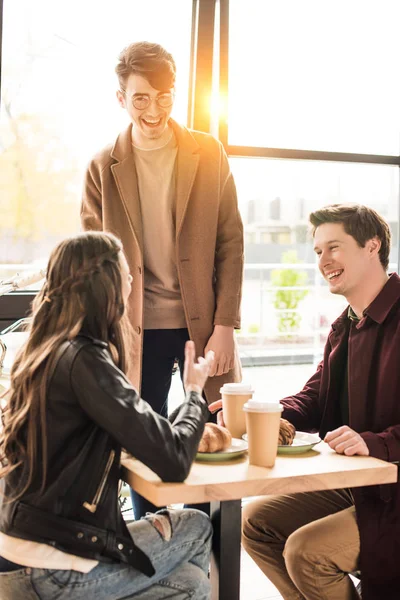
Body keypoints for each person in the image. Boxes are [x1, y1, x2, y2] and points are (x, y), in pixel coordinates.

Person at [0, 231, 214, 600]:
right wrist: (194, 393)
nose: (133, 281)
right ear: (108, 286)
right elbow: (174, 460)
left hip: (16, 552)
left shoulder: (41, 352)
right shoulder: (85, 360)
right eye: (127, 273)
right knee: (195, 525)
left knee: (191, 586)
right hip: (51, 568)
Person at [81, 41, 244, 518]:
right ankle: (158, 542)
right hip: (134, 327)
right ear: (121, 99)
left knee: (217, 434)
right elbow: (93, 259)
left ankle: (208, 547)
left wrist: (226, 324)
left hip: (203, 324)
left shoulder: (207, 153)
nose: (154, 110)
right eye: (141, 99)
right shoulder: (101, 166)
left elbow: (230, 242)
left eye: (165, 96)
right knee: (141, 442)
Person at [212, 203, 400, 600]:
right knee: (255, 523)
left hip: (392, 486)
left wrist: (377, 442)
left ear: (372, 246)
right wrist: (260, 415)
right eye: (317, 252)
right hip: (359, 482)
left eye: (334, 247)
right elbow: (314, 398)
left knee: (306, 551)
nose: (323, 261)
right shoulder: (346, 324)